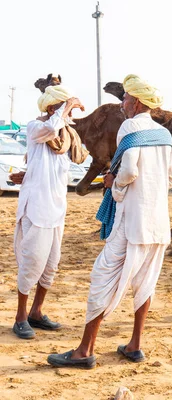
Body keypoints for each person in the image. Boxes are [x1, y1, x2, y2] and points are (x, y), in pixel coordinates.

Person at [47, 75, 172, 369]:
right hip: (158, 224)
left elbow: (128, 171)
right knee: (145, 284)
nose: (123, 104)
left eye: (126, 99)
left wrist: (113, 186)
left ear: (137, 102)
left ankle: (84, 351)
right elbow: (169, 178)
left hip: (132, 223)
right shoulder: (164, 135)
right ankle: (135, 345)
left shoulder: (130, 126)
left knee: (102, 280)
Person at [11, 86, 86, 339]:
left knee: (51, 265)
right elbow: (49, 129)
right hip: (37, 209)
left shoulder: (64, 136)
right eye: (66, 107)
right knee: (32, 262)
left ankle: (36, 312)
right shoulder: (36, 128)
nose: (71, 113)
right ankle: (20, 317)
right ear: (53, 108)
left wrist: (27, 174)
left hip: (57, 210)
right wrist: (67, 106)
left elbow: (48, 167)